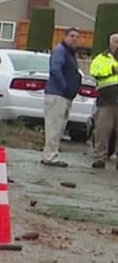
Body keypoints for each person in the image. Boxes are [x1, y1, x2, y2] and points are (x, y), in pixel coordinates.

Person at [41, 27, 82, 168]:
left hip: (65, 96)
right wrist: (65, 87)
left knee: (59, 128)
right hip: (57, 95)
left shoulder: (70, 53)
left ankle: (51, 154)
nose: (75, 38)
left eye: (77, 36)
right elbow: (55, 69)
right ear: (65, 37)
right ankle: (50, 157)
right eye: (72, 35)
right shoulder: (60, 50)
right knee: (54, 126)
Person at [90, 33, 118, 168]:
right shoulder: (101, 58)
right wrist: (113, 69)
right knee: (103, 130)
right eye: (116, 41)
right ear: (110, 43)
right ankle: (99, 158)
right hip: (107, 100)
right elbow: (95, 72)